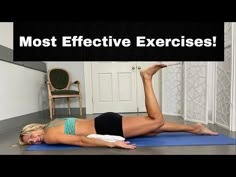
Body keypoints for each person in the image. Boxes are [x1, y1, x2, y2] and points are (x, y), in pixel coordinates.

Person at [19, 64, 218, 150]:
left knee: (156, 120)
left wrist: (111, 144)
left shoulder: (50, 136)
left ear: (34, 128)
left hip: (107, 128)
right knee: (153, 130)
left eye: (31, 136)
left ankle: (146, 78)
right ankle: (195, 128)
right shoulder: (53, 124)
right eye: (31, 142)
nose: (35, 140)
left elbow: (80, 140)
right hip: (105, 121)